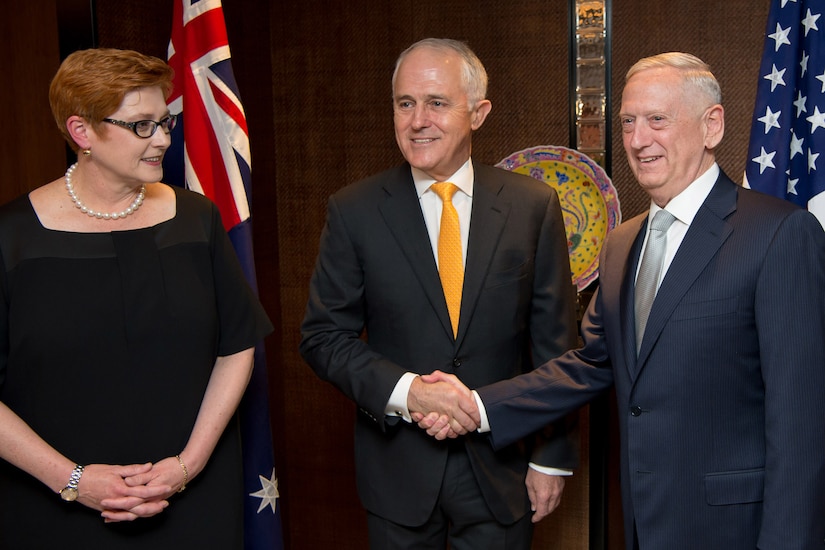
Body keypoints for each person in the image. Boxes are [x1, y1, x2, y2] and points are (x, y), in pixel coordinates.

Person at [417, 52, 825, 549]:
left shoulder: (779, 234)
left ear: (711, 126)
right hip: (641, 521)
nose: (636, 140)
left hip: (733, 529)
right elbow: (589, 365)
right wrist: (477, 404)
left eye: (657, 120)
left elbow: (802, 422)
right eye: (628, 122)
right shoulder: (621, 244)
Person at [299, 38, 579, 549]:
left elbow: (554, 348)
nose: (417, 120)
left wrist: (550, 458)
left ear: (479, 112)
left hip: (502, 470)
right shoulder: (355, 211)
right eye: (405, 104)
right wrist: (411, 393)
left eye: (436, 103)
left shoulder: (531, 207)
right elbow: (322, 337)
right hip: (398, 476)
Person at [0, 48, 272, 549]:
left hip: (192, 501)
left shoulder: (196, 220)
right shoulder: (10, 238)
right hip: (55, 512)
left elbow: (237, 346)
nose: (164, 139)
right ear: (82, 132)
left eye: (164, 120)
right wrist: (75, 481)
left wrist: (186, 466)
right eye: (141, 125)